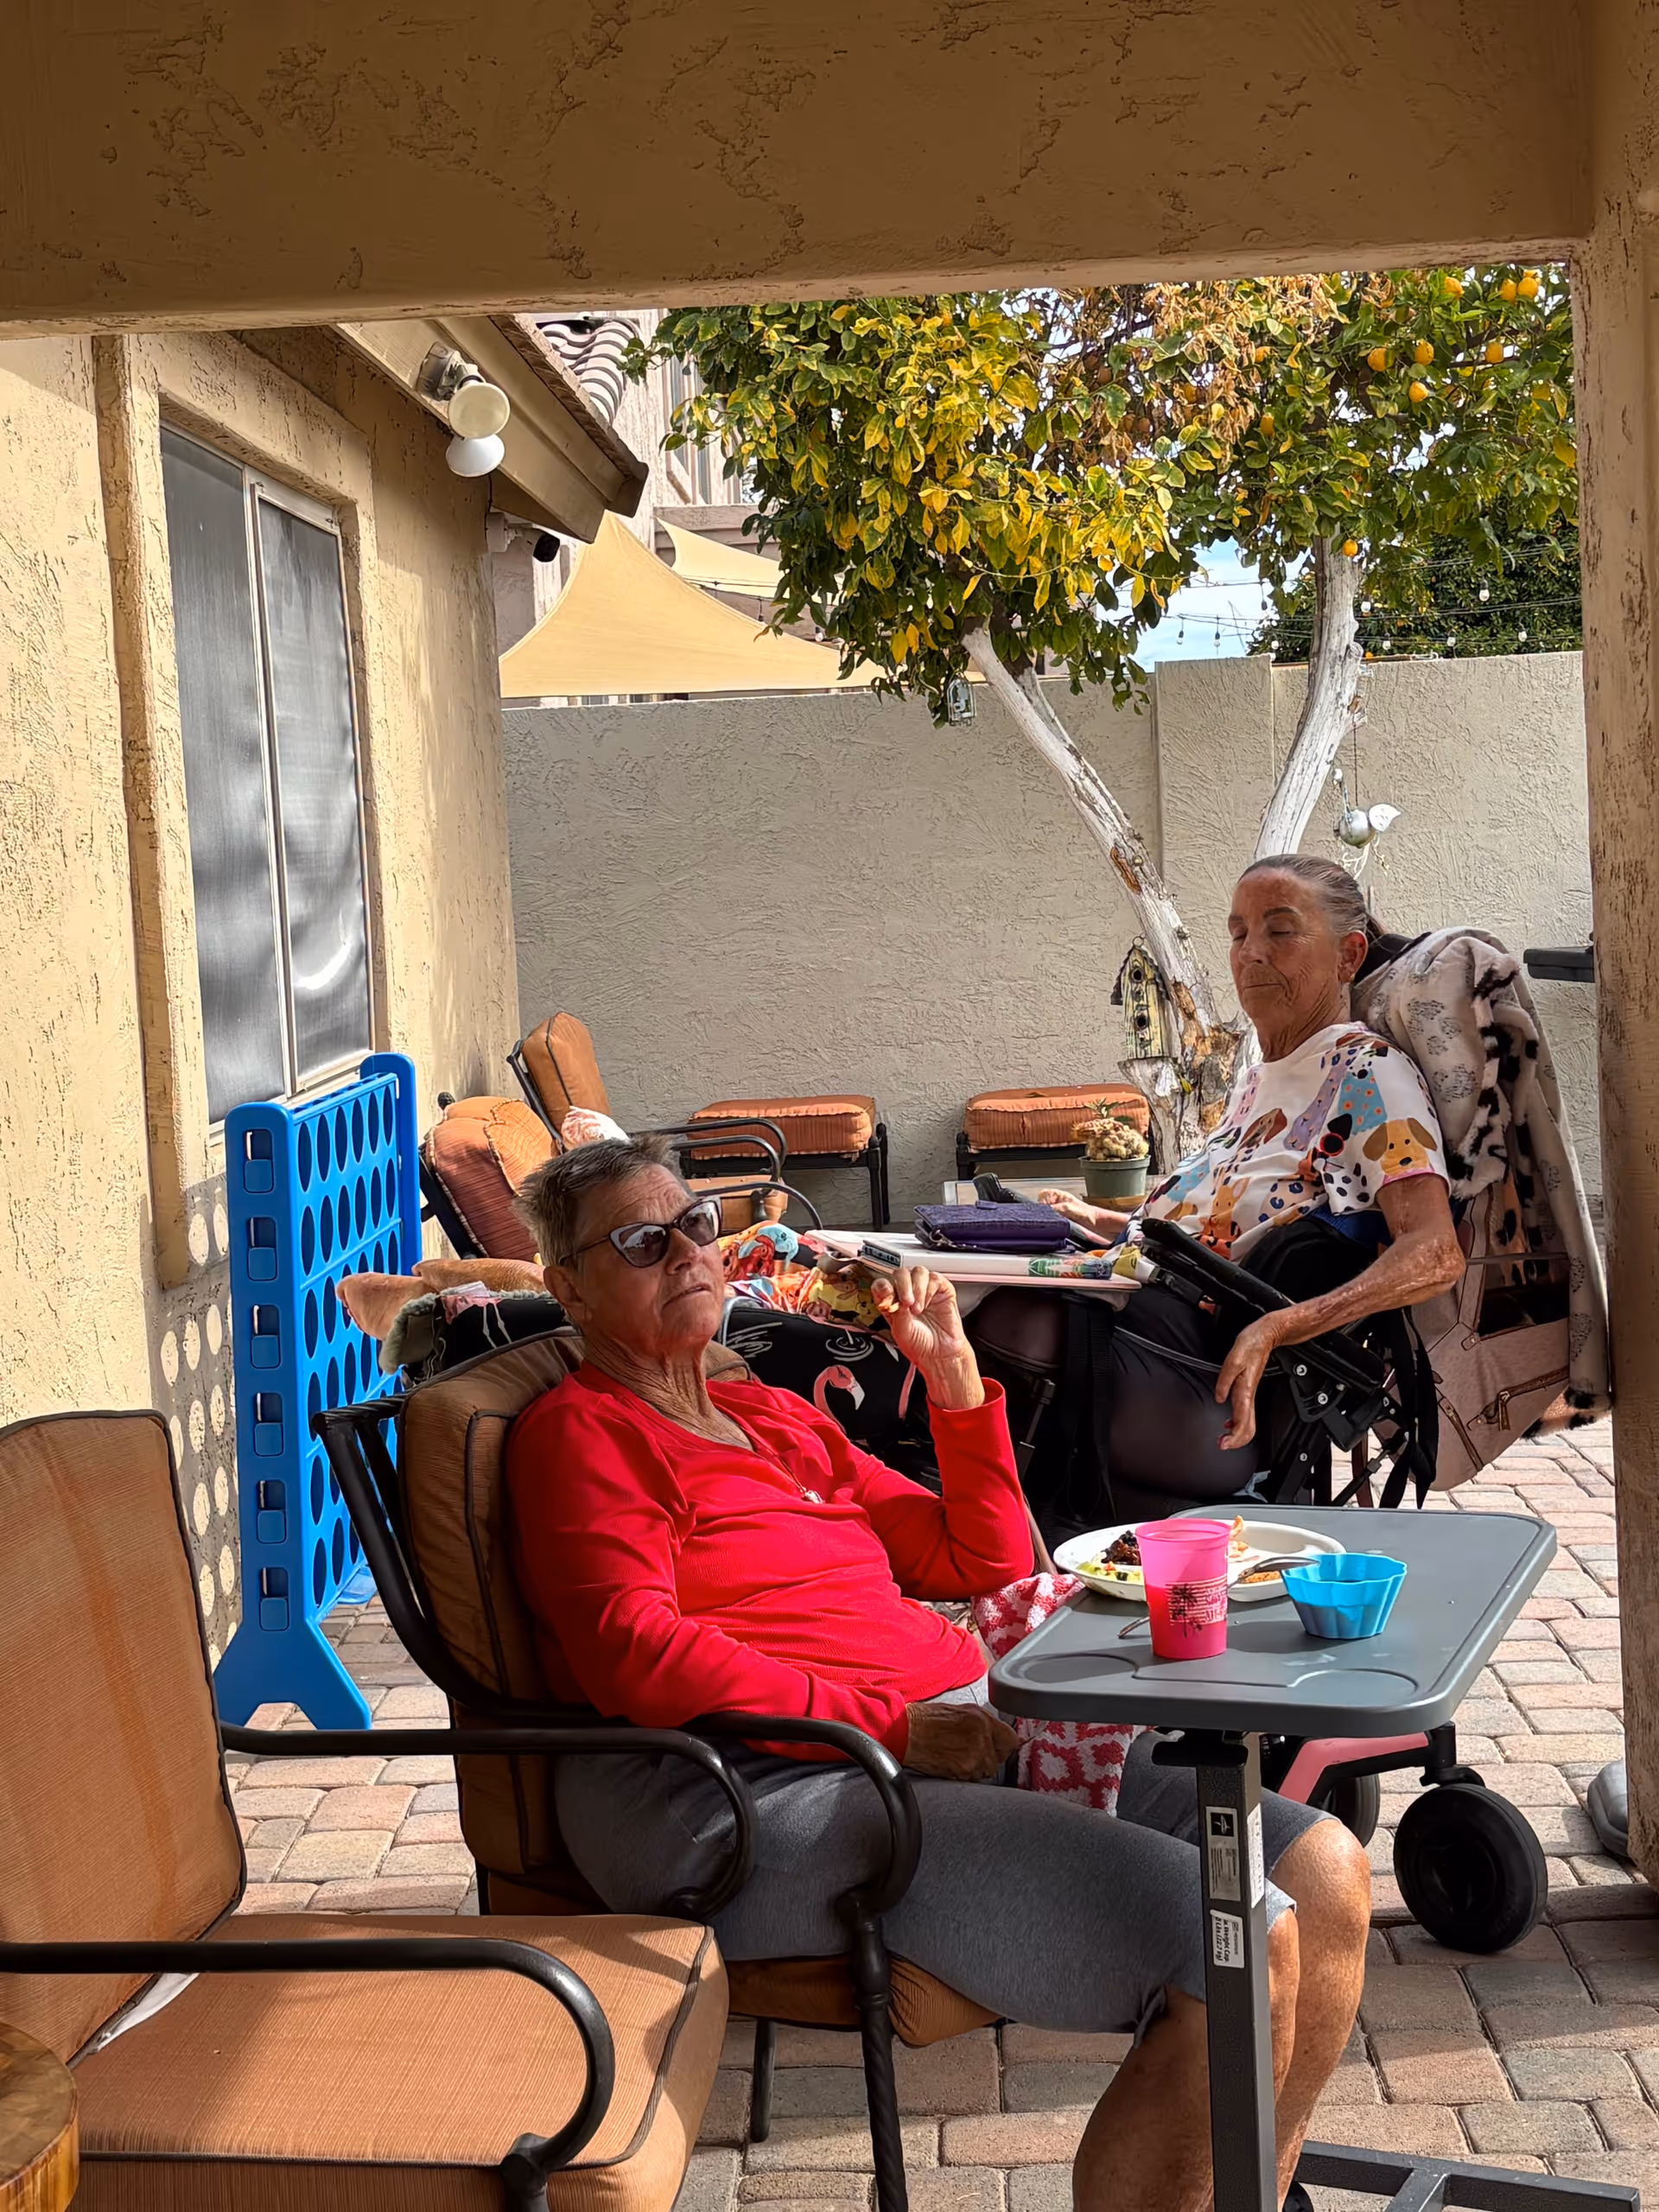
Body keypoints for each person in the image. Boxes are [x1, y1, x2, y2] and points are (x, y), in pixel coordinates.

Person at [506, 1134, 1372, 2212]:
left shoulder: (766, 1414)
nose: (687, 1250)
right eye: (643, 1240)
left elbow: (985, 1562)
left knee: (1322, 1869)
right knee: (1231, 1933)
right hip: (755, 1792)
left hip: (943, 1741)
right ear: (569, 1289)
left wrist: (956, 1381)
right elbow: (638, 1650)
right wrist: (893, 1729)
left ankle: (1254, 2191)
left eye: (694, 1223)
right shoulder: (582, 1435)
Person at [1038, 855, 1465, 1518]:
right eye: (1238, 934)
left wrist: (1283, 1326)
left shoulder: (1367, 1074)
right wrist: (1092, 1218)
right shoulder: (1256, 1078)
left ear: (1349, 955)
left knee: (983, 1331)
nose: (1250, 954)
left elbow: (1436, 1252)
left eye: (1280, 931)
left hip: (1190, 1365)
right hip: (1139, 1312)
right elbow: (1215, 1229)